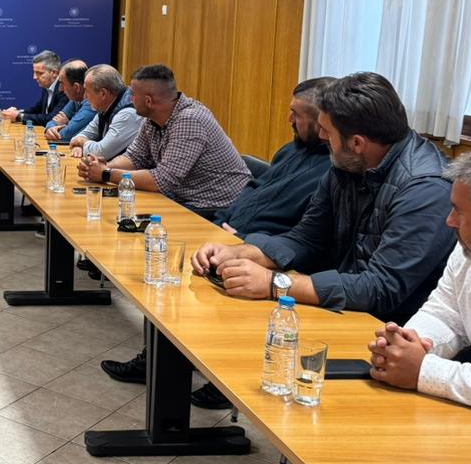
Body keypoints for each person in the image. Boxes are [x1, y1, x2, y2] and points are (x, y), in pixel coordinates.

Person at [101, 77, 336, 409]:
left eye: (297, 114)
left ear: (322, 120)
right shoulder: (291, 151)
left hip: (265, 250)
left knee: (185, 274)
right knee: (170, 270)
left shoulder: (331, 170)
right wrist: (225, 223)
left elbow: (302, 233)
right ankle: (159, 358)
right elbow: (253, 191)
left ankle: (222, 377)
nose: (289, 120)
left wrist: (245, 242)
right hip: (231, 230)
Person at [192, 72, 455, 324]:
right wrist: (239, 252)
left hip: (390, 329)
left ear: (357, 143)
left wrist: (275, 284)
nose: (321, 136)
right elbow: (306, 238)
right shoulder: (349, 164)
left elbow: (381, 288)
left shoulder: (426, 190)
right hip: (343, 308)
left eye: (327, 131)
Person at [369, 144, 471, 418]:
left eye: (459, 212)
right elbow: (444, 312)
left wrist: (426, 371)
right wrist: (407, 346)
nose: (449, 221)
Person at [78, 64, 251, 218]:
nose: (130, 100)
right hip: (183, 199)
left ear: (148, 101)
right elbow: (134, 157)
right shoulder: (151, 119)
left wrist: (106, 174)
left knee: (124, 219)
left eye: (133, 95)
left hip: (217, 207)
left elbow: (162, 180)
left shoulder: (189, 120)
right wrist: (101, 166)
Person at [68, 64, 142, 161]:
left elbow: (101, 153)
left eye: (87, 91)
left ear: (103, 93)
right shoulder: (105, 107)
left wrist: (82, 142)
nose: (84, 96)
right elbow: (82, 135)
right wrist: (78, 146)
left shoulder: (127, 114)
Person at [1, 50, 67, 126]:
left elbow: (52, 118)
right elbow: (37, 109)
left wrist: (19, 116)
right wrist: (16, 113)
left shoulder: (64, 89)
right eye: (34, 72)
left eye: (39, 73)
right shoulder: (47, 85)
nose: (34, 77)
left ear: (54, 73)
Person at [43, 60, 93, 142]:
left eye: (62, 83)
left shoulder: (92, 104)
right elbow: (52, 121)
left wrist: (66, 125)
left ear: (76, 87)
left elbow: (65, 135)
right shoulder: (75, 99)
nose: (60, 89)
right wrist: (50, 128)